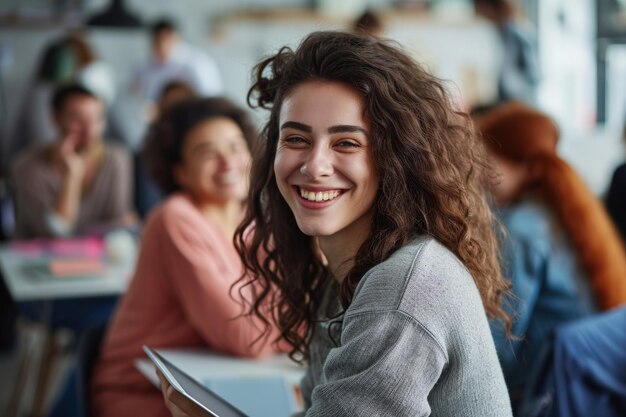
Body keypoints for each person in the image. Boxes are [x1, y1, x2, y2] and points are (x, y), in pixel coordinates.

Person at [159, 31, 513, 417]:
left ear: (394, 159)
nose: (314, 166)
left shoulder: (403, 288)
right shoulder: (347, 276)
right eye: (296, 138)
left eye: (345, 143)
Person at [91, 97, 287, 417]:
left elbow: (299, 329)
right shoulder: (175, 218)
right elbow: (248, 340)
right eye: (208, 153)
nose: (229, 163)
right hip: (148, 392)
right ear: (180, 172)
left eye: (236, 147)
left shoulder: (255, 223)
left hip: (219, 385)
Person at [475, 102, 626, 406]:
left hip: (544, 393)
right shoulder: (559, 212)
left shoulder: (521, 231)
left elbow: (497, 348)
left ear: (527, 168)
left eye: (486, 162)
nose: (477, 175)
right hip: (584, 389)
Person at [11, 84, 135, 239]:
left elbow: (121, 225)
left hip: (97, 260)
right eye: (77, 119)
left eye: (96, 119)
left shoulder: (117, 160)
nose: (89, 131)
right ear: (55, 119)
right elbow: (54, 234)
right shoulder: (27, 167)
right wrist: (73, 176)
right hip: (34, 260)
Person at [134, 80, 197, 218]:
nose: (174, 116)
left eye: (181, 109)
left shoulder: (200, 150)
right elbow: (149, 207)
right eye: (169, 109)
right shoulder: (148, 153)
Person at [134, 18, 222, 106]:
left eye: (165, 39)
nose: (162, 45)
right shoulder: (145, 67)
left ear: (177, 37)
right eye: (157, 40)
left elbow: (209, 98)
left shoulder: (197, 63)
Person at [473, 0, 541, 104]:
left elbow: (534, 73)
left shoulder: (518, 32)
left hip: (518, 99)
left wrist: (517, 92)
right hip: (509, 97)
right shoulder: (502, 32)